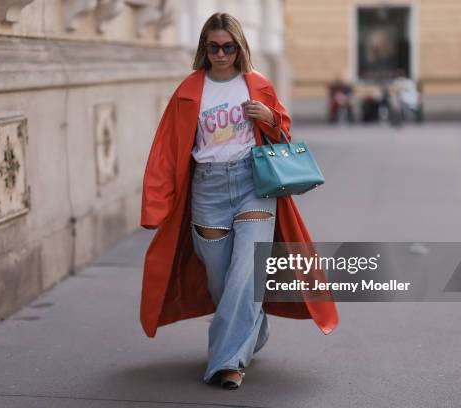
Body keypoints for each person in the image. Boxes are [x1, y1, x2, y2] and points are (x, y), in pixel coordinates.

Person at [140, 12, 339, 390]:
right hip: (208, 190)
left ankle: (228, 363)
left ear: (239, 47)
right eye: (213, 47)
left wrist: (270, 118)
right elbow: (166, 149)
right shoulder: (188, 91)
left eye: (228, 47)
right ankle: (252, 328)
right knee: (221, 281)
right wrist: (155, 204)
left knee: (247, 271)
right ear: (204, 48)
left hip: (253, 184)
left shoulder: (256, 84)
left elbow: (283, 132)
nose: (220, 54)